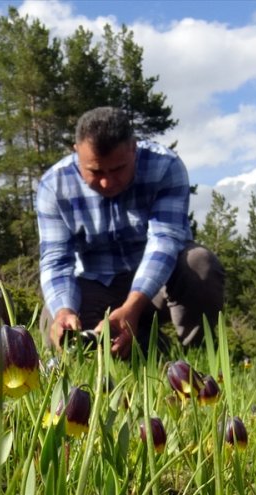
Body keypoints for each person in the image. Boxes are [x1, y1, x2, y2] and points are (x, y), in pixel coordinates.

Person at [36, 106, 225, 358]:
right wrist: (64, 311)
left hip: (158, 287)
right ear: (76, 153)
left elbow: (165, 240)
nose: (107, 182)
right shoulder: (53, 185)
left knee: (199, 262)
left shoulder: (165, 166)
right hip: (95, 283)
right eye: (95, 171)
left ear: (134, 148)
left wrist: (132, 307)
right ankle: (150, 347)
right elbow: (56, 261)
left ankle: (198, 356)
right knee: (55, 328)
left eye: (117, 169)